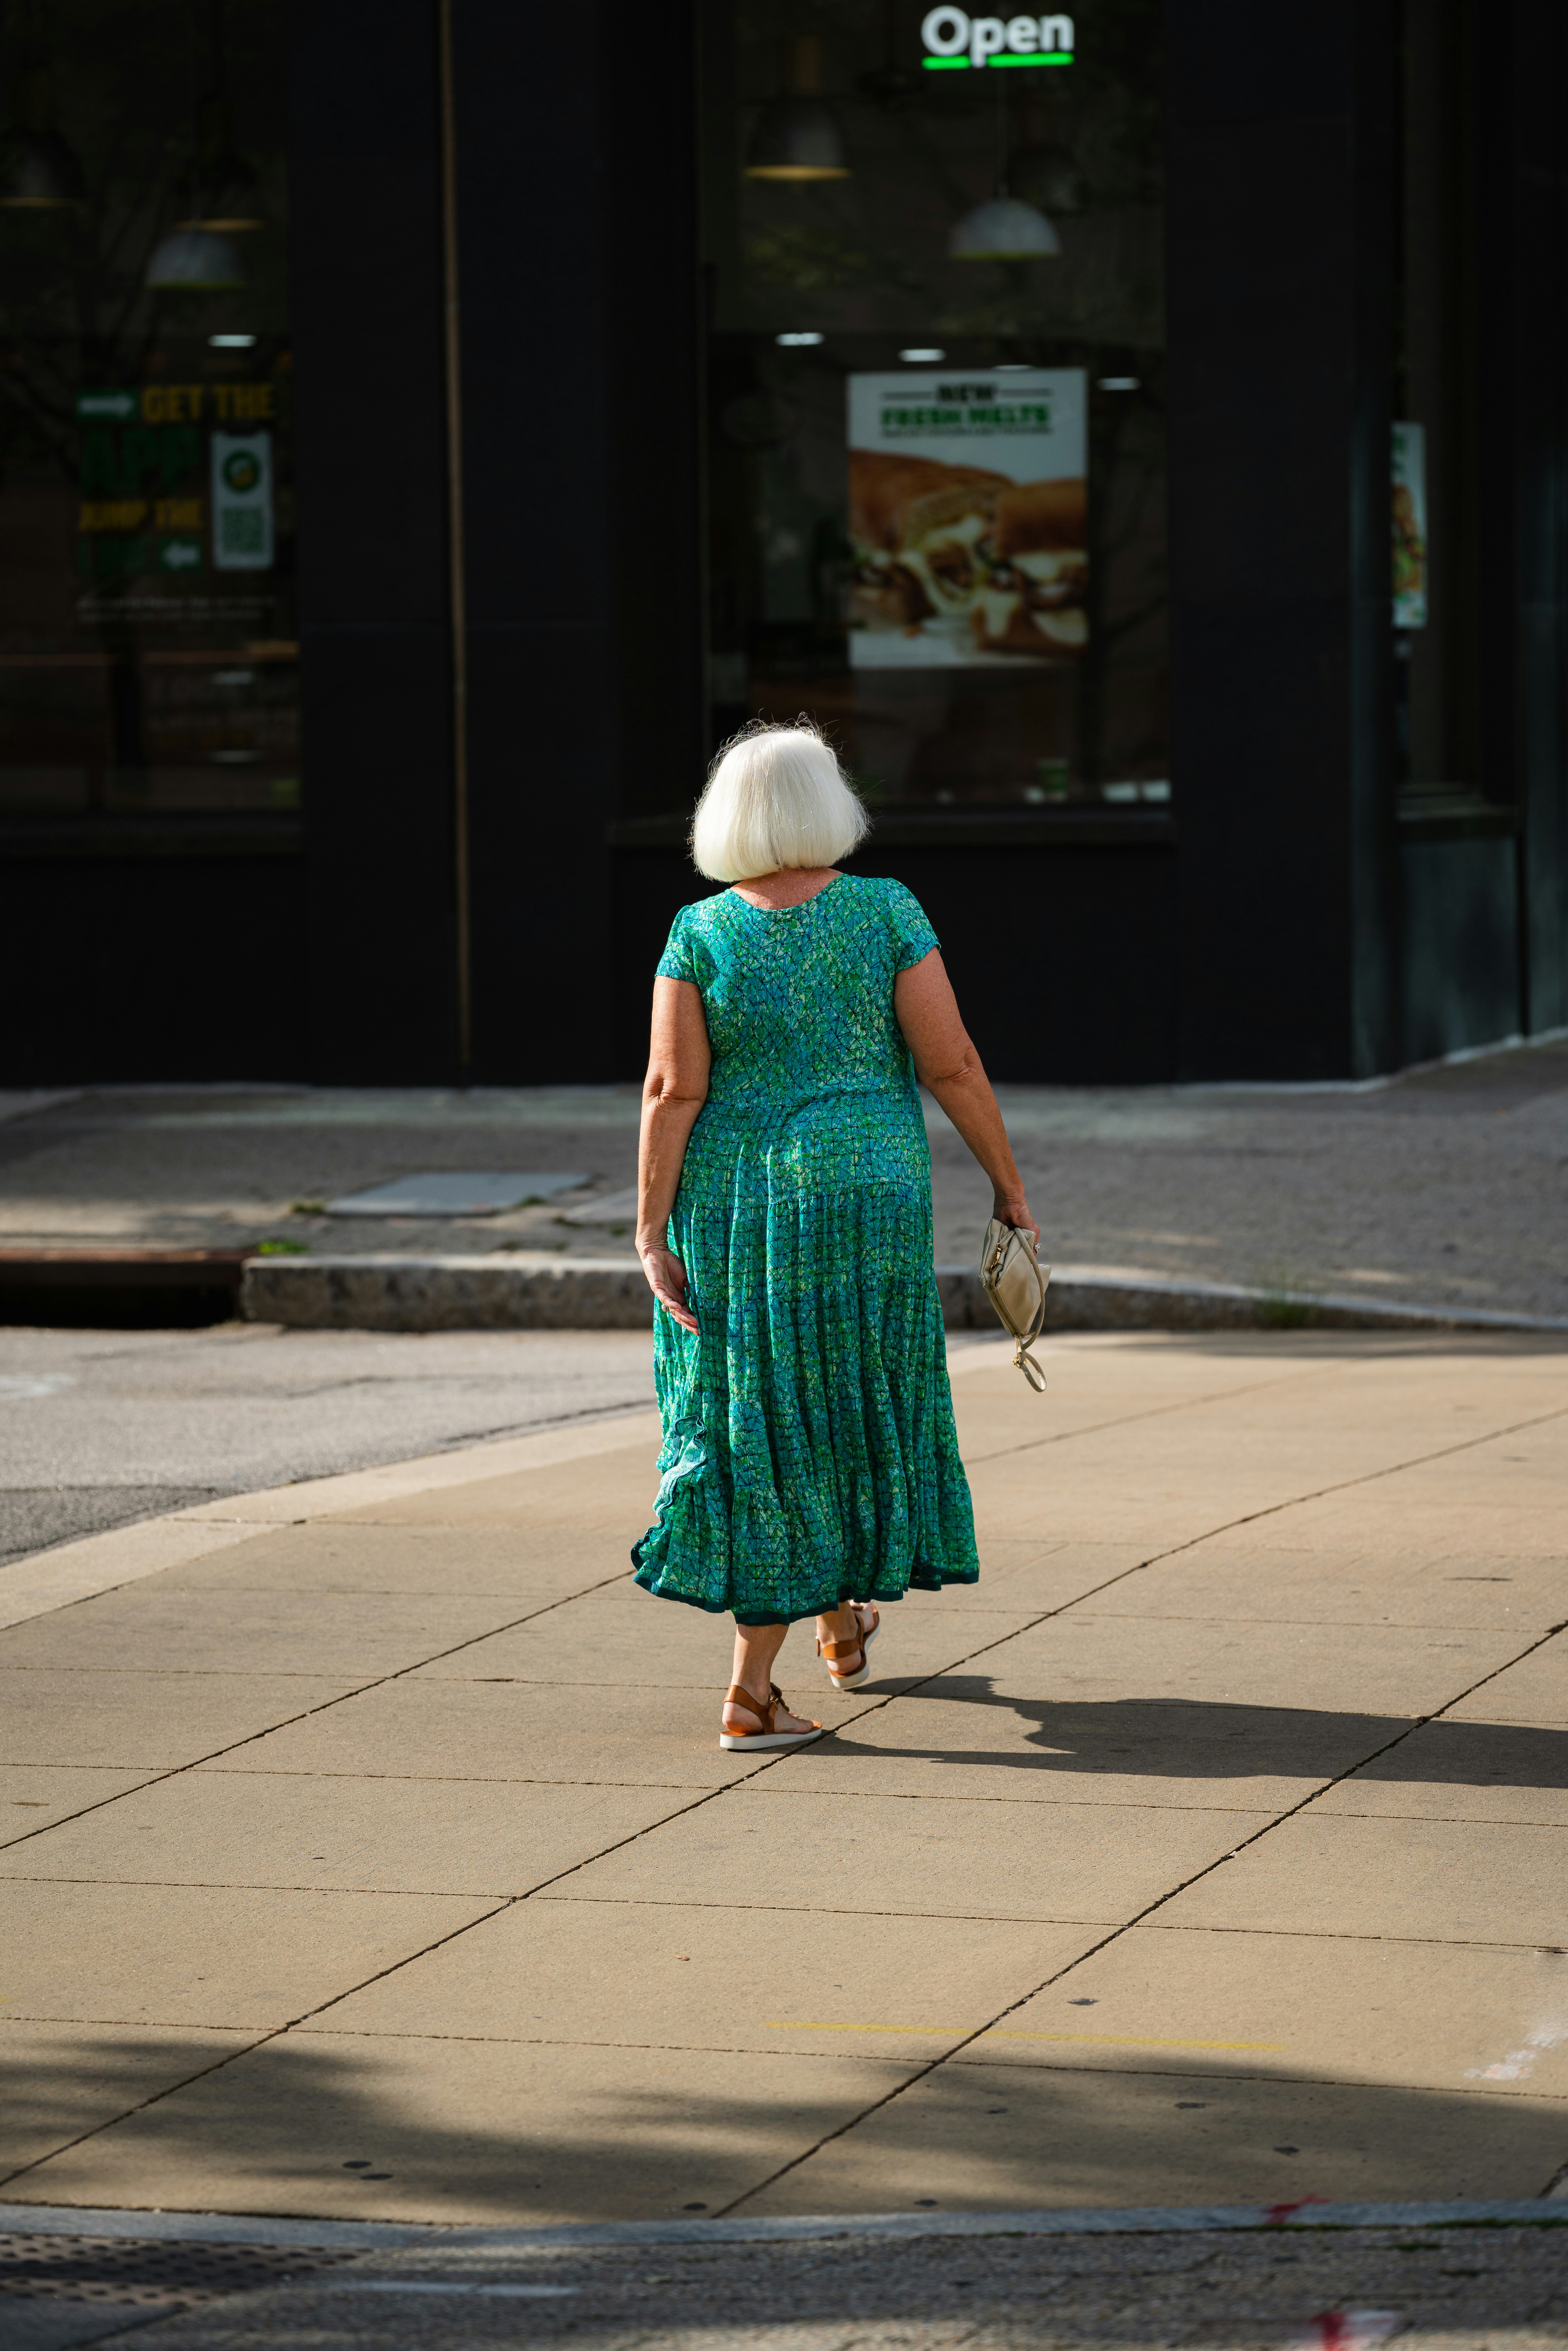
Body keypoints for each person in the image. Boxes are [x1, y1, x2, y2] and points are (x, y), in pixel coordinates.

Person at [632, 720, 1039, 1751]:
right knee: (847, 1394)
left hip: (739, 1203)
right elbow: (952, 1063)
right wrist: (1009, 1187)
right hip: (867, 1195)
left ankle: (833, 1624)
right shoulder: (887, 911)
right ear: (831, 807)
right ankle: (751, 1690)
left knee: (769, 1409)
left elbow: (673, 1088)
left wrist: (647, 1227)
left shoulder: (700, 931)